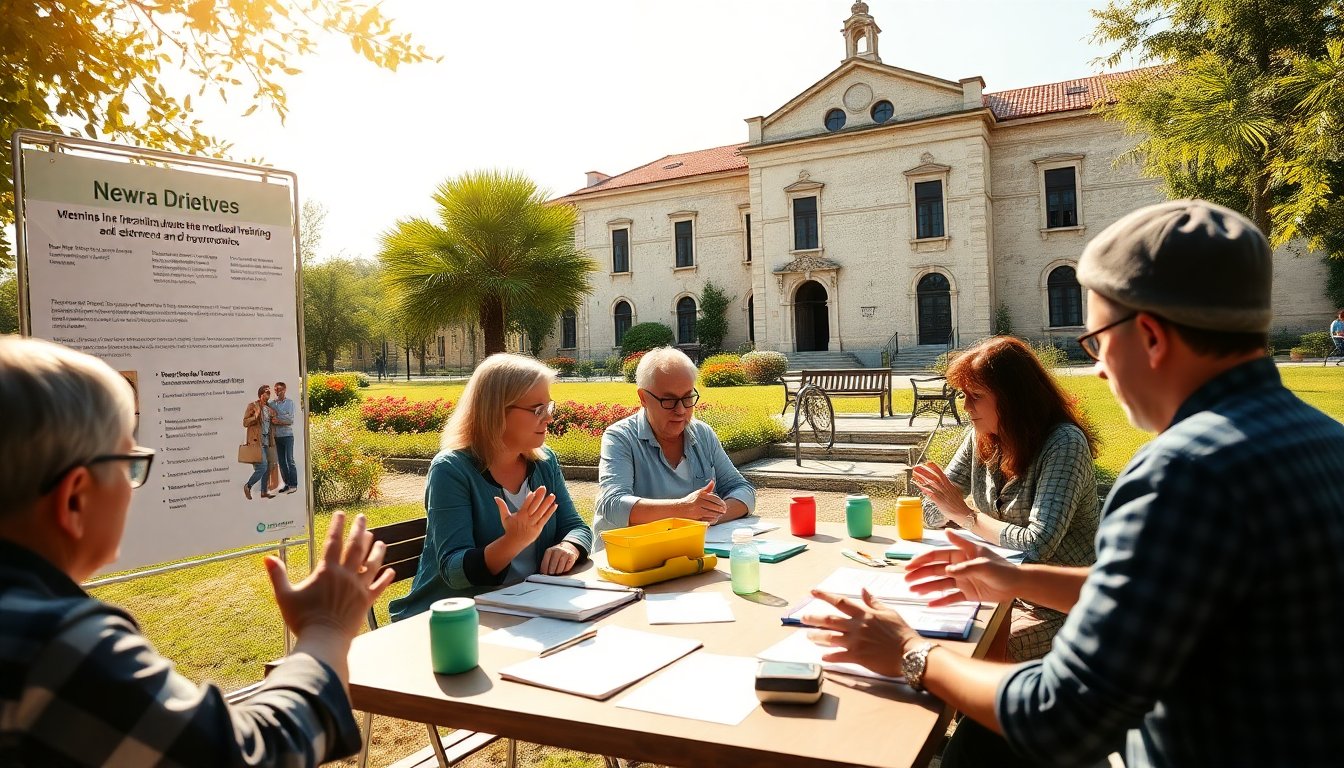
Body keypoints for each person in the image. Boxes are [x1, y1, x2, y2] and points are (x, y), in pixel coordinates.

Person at [805, 200, 1344, 768]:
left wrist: (912, 652)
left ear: (1153, 337)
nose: (1101, 369)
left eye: (1097, 342)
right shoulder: (1322, 440)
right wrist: (1011, 576)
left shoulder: (1185, 471)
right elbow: (1160, 588)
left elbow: (1063, 716)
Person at [0, 336, 393, 767]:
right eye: (131, 466)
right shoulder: (55, 649)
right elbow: (248, 757)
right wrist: (327, 630)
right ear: (76, 498)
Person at [912, 335, 1098, 662]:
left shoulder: (1064, 444)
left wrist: (968, 516)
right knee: (922, 629)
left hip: (1055, 607)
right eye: (963, 395)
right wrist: (949, 507)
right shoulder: (981, 435)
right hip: (993, 593)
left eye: (976, 396)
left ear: (1013, 399)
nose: (966, 407)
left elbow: (1038, 544)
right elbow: (931, 512)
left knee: (971, 654)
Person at [389, 353, 593, 620]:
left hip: (528, 610)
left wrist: (568, 547)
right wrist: (513, 541)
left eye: (549, 407)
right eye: (537, 410)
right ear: (496, 411)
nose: (549, 419)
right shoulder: (451, 470)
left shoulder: (544, 462)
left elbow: (577, 528)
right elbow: (453, 570)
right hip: (454, 622)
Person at [594, 346, 756, 539]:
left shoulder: (702, 434)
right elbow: (613, 505)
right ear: (643, 398)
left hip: (685, 552)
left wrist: (706, 517)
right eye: (669, 401)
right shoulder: (620, 437)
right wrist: (684, 509)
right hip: (628, 559)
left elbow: (743, 490)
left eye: (688, 398)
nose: (680, 410)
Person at [242, 384, 276, 500]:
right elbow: (245, 423)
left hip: (267, 441)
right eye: (267, 392)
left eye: (269, 392)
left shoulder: (269, 408)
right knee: (262, 467)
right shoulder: (253, 406)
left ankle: (264, 491)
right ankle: (248, 486)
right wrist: (255, 417)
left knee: (268, 466)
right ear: (261, 394)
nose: (269, 394)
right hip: (256, 442)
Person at [270, 381, 299, 494]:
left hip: (287, 436)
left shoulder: (290, 403)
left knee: (290, 460)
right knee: (281, 462)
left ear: (285, 390)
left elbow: (290, 421)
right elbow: (270, 418)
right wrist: (279, 420)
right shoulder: (272, 404)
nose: (277, 392)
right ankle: (287, 484)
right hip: (277, 437)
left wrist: (279, 421)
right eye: (276, 390)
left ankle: (294, 484)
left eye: (279, 390)